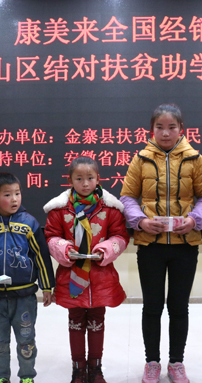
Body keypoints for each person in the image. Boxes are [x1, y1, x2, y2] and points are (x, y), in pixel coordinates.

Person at [120, 104, 202, 383]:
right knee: (152, 306)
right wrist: (140, 221)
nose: (165, 133)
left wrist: (194, 220)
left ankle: (176, 362)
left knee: (179, 307)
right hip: (151, 245)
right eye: (159, 127)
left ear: (181, 129)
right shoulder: (140, 159)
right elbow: (127, 197)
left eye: (171, 127)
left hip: (185, 245)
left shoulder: (195, 159)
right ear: (151, 130)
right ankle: (151, 362)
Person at [43, 157, 130, 383]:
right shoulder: (59, 209)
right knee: (75, 322)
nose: (85, 183)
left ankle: (96, 368)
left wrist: (105, 250)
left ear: (98, 179)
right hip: (71, 276)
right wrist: (65, 249)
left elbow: (120, 236)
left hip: (101, 277)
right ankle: (78, 369)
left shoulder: (111, 208)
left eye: (90, 178)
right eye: (79, 179)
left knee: (97, 322)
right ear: (70, 180)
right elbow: (51, 236)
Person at [0, 172, 55, 383]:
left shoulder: (29, 223)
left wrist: (47, 287)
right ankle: (1, 376)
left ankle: (27, 376)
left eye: (17, 193)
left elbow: (41, 256)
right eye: (7, 195)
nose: (14, 199)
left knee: (26, 341)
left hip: (24, 297)